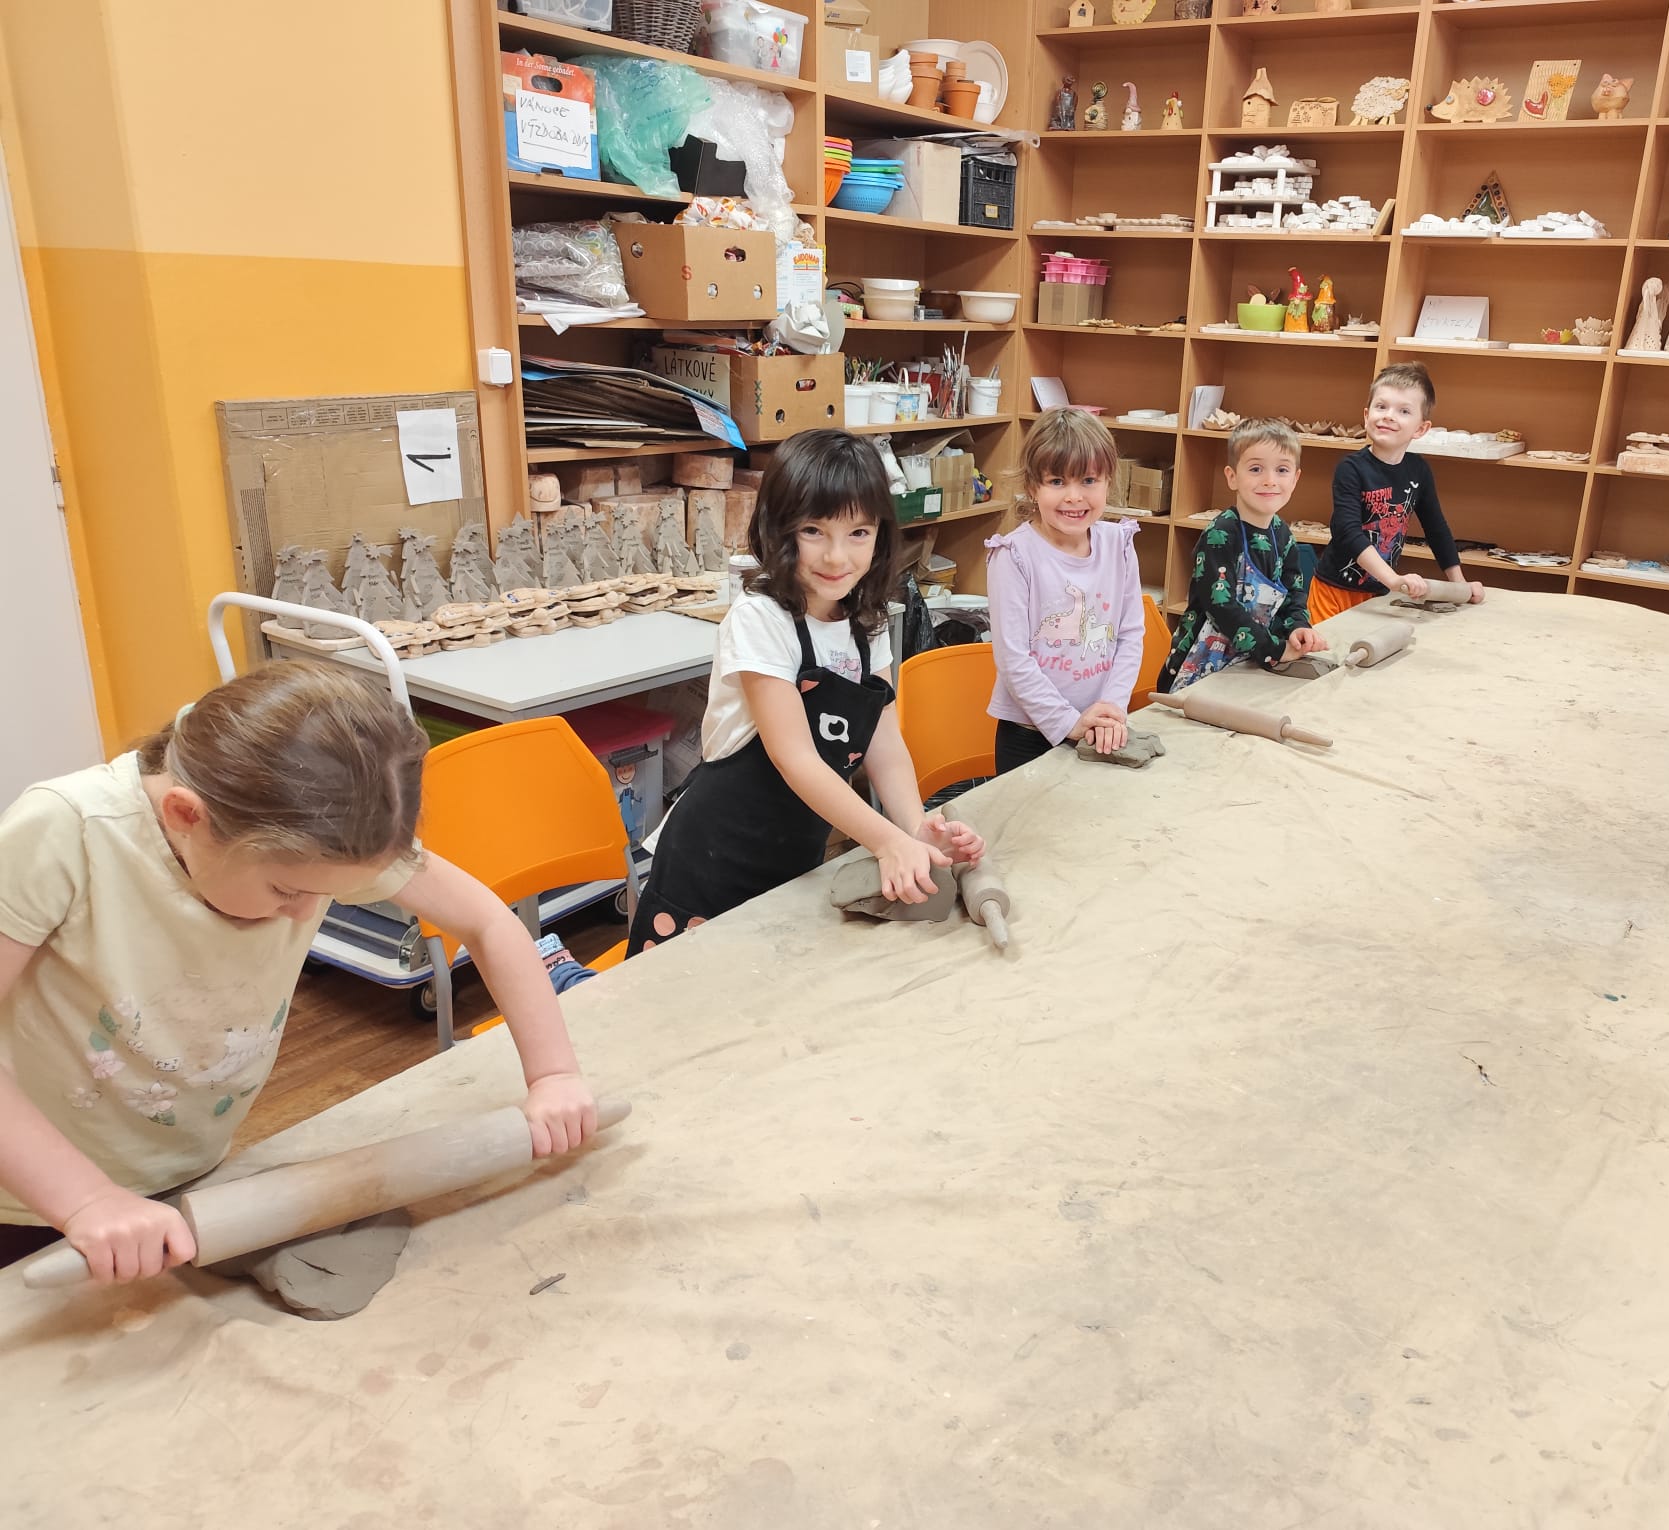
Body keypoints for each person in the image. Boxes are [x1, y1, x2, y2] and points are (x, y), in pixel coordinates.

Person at [0, 663, 598, 1283]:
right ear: (186, 816)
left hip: (186, 1174)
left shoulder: (312, 832)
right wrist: (86, 1201)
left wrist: (554, 1074)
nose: (306, 914)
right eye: (288, 890)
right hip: (31, 1194)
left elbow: (488, 922)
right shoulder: (65, 834)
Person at [627, 430, 981, 950]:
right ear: (778, 528)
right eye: (814, 530)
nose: (837, 557)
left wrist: (913, 829)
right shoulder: (761, 619)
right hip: (711, 863)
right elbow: (794, 758)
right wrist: (885, 842)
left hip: (794, 860)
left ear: (881, 536)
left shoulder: (867, 621)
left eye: (858, 533)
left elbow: (884, 744)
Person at [985, 408, 1145, 773]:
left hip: (1100, 730)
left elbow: (1130, 635)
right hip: (1029, 737)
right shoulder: (1013, 555)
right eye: (1057, 481)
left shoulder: (1119, 544)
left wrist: (1112, 709)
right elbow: (1013, 659)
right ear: (1032, 487)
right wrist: (1069, 723)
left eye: (1088, 480)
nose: (1074, 497)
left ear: (1108, 482)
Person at [1309, 362, 1485, 623]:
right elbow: (1348, 532)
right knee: (1329, 648)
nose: (1389, 416)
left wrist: (1459, 585)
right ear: (1366, 415)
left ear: (1421, 429)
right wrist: (1393, 580)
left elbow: (1436, 529)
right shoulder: (1351, 468)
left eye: (1403, 411)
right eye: (1381, 407)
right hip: (1334, 591)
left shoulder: (1418, 470)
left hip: (1377, 595)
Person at [1158, 418, 1327, 691]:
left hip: (1248, 664)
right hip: (1196, 671)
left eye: (1282, 470)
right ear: (1232, 477)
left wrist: (1298, 627)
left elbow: (1293, 595)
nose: (1269, 481)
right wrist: (1274, 649)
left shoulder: (1283, 535)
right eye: (1256, 469)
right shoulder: (1220, 534)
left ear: (1295, 479)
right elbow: (1221, 607)